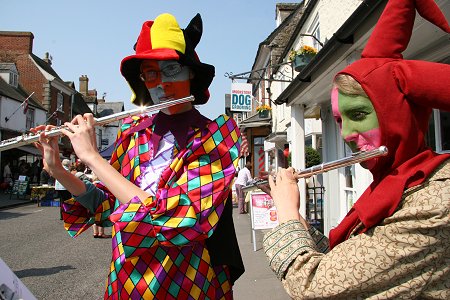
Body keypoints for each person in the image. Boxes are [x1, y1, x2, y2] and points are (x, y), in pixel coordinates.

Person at [33, 13, 244, 299]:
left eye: (171, 70)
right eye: (151, 73)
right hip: (127, 284)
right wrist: (59, 170)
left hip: (189, 282)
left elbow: (177, 218)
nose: (163, 84)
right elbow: (108, 207)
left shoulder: (215, 138)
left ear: (191, 72)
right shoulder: (134, 132)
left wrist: (93, 158)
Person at [263, 0, 450, 298]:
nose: (347, 134)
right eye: (339, 119)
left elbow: (315, 286)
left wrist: (285, 213)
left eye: (359, 115)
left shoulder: (436, 200)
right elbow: (346, 262)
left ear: (398, 116)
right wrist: (294, 214)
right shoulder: (391, 183)